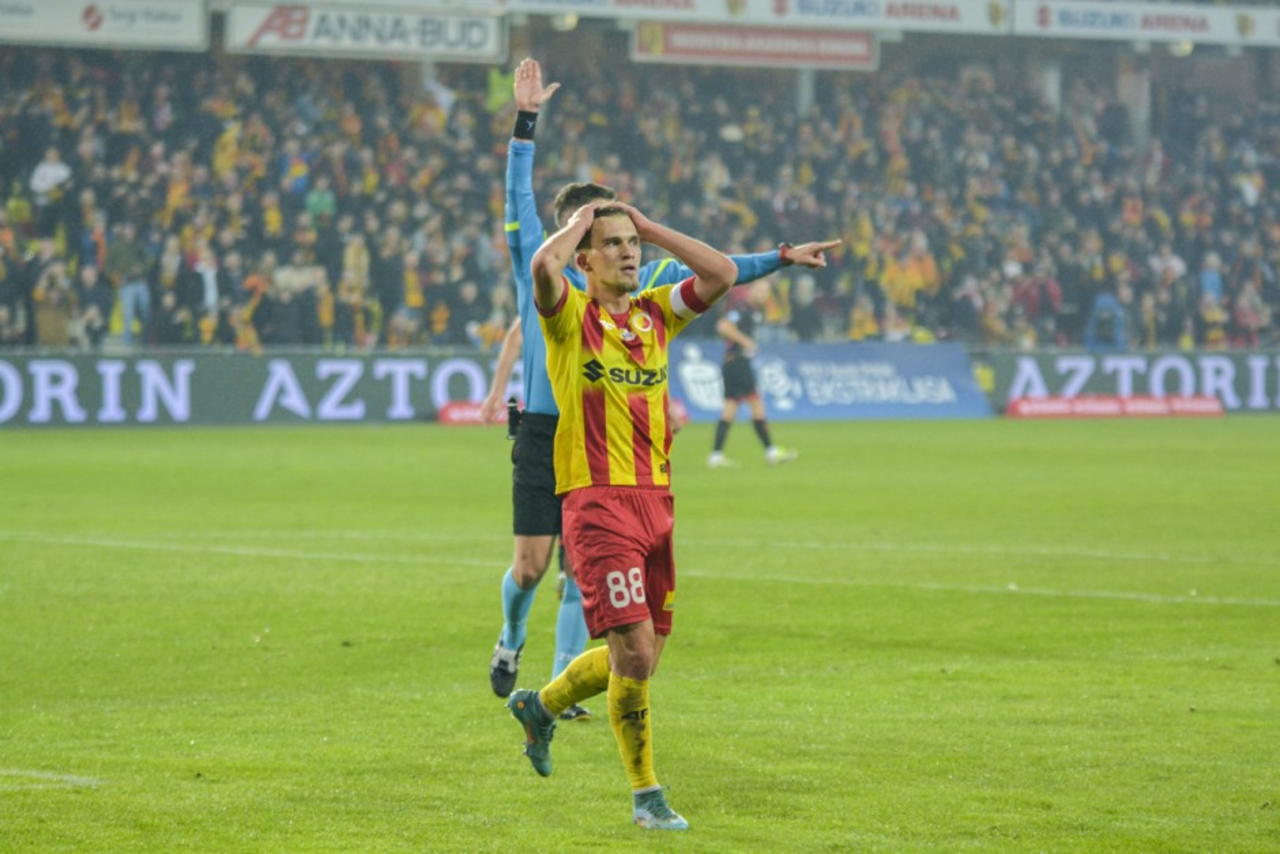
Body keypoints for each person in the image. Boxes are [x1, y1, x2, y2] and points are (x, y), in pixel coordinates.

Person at [484, 58, 838, 713]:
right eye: (596, 230)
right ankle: (510, 636)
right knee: (530, 569)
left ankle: (563, 686)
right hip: (544, 431)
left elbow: (720, 270)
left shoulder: (639, 285)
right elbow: (517, 201)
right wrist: (526, 121)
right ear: (574, 237)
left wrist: (782, 258)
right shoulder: (547, 276)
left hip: (607, 447)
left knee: (580, 574)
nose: (620, 245)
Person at [506, 199, 735, 832]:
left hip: (657, 501)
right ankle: (646, 796)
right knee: (632, 654)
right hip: (597, 501)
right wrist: (581, 223)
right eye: (613, 243)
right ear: (584, 260)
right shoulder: (568, 317)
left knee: (642, 658)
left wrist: (652, 227)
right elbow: (542, 267)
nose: (629, 252)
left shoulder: (657, 315)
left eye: (633, 243)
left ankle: (539, 706)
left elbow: (721, 274)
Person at [708, 279, 800, 468]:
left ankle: (716, 456)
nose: (763, 295)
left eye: (766, 292)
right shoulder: (742, 307)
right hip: (738, 363)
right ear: (751, 289)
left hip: (733, 364)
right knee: (756, 404)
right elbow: (723, 326)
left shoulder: (755, 310)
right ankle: (771, 451)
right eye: (761, 290)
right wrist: (746, 342)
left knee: (729, 409)